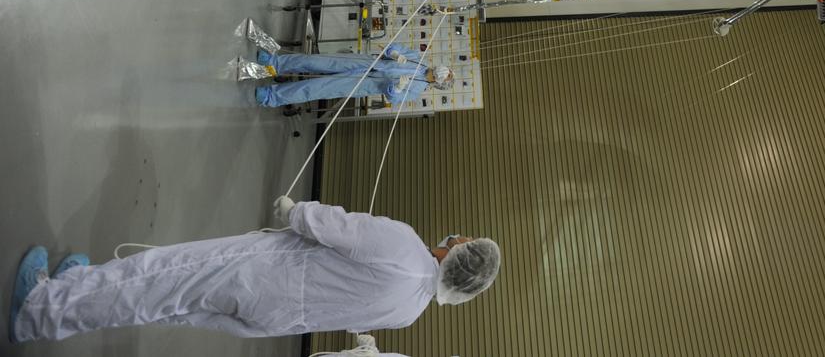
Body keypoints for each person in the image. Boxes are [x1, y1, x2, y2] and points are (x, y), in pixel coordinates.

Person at [9, 197, 501, 343]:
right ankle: (74, 287)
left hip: (261, 273)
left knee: (157, 278)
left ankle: (40, 309)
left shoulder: (407, 245)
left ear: (456, 254)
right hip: (272, 320)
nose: (456, 236)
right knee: (165, 307)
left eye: (463, 240)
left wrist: (291, 210)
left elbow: (330, 226)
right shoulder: (412, 312)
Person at [253, 44, 454, 108]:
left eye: (445, 76)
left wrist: (399, 88)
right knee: (315, 61)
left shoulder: (416, 91)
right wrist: (394, 53)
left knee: (316, 88)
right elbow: (393, 48)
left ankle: (271, 96)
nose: (443, 71)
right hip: (365, 63)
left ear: (439, 83)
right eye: (446, 70)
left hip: (363, 83)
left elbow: (394, 98)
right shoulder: (417, 59)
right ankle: (274, 62)